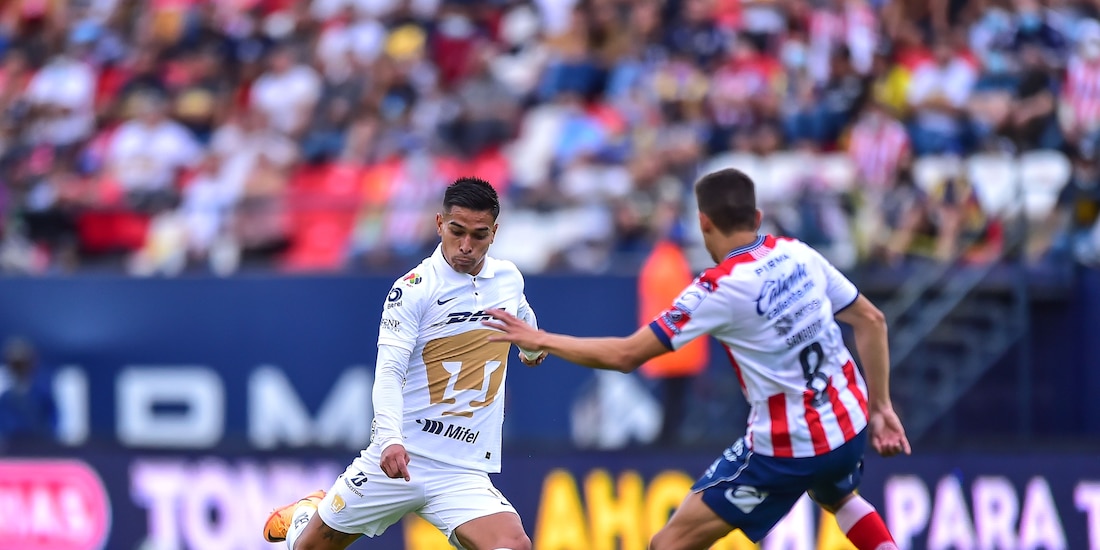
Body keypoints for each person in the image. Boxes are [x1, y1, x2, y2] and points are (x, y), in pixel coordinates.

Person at [483, 168, 910, 550]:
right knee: (839, 496)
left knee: (668, 544)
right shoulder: (798, 252)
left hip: (788, 445)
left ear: (703, 223)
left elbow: (628, 354)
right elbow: (871, 320)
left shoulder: (720, 287)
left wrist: (540, 338)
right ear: (757, 218)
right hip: (849, 422)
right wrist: (882, 407)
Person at [262, 177, 545, 550]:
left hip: (462, 469)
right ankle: (306, 512)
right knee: (307, 549)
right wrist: (390, 440)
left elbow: (527, 326)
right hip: (402, 457)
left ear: (494, 232)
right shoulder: (413, 289)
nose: (466, 246)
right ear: (439, 224)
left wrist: (532, 350)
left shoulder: (508, 278)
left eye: (478, 235)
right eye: (457, 231)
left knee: (514, 545)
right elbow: (389, 371)